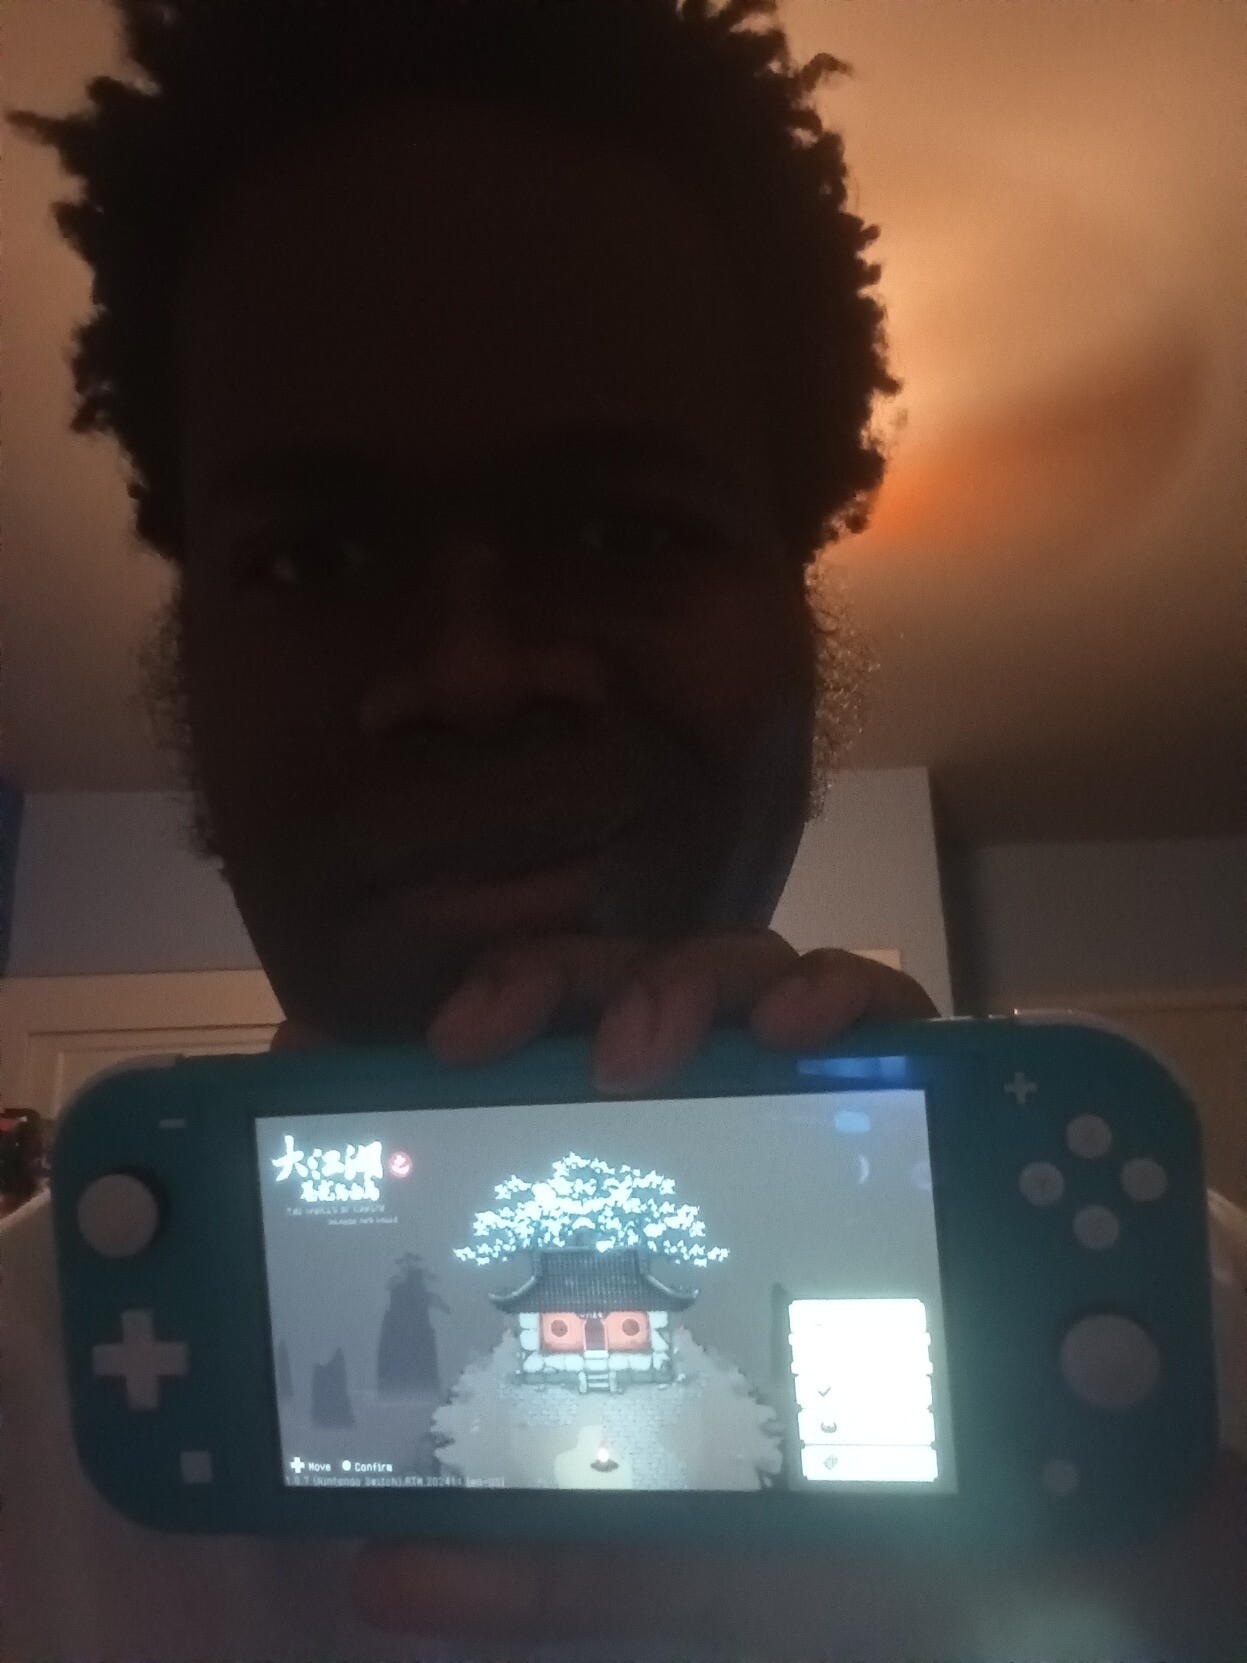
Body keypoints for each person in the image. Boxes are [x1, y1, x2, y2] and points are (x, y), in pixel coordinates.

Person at [3, 1, 1243, 1657]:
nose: (474, 671)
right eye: (315, 557)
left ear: (801, 612)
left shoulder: (1203, 1370)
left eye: (620, 529)